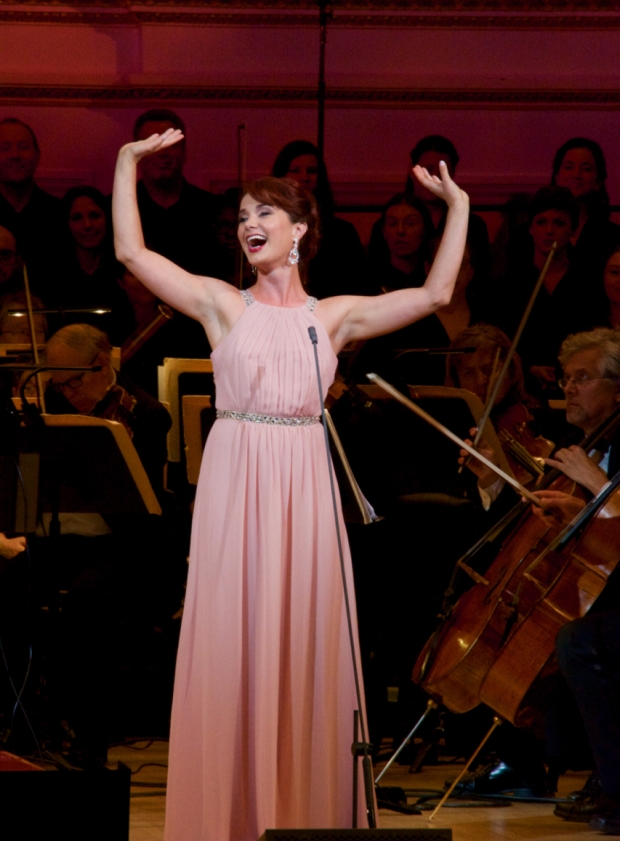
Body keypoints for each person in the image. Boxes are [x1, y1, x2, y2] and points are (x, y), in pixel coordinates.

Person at [112, 126, 469, 840]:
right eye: (242, 216)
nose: (250, 224)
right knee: (233, 636)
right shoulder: (223, 305)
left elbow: (434, 292)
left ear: (301, 229)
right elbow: (131, 251)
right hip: (237, 478)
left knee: (302, 638)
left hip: (304, 482)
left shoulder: (330, 318)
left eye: (265, 213)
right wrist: (125, 163)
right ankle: (231, 812)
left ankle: (302, 810)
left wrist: (456, 206)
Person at [272, 139, 370, 298]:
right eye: (295, 170)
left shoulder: (342, 232)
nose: (304, 177)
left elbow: (358, 287)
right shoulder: (269, 227)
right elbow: (256, 272)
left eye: (311, 171)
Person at [0, 118, 63, 300]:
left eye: (23, 147)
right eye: (4, 148)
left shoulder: (59, 212)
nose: (15, 155)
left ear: (37, 156)